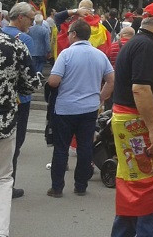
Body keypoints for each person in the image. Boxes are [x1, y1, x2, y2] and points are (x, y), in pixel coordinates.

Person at [110, 1, 153, 236]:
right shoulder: (146, 46)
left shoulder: (142, 43)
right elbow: (140, 88)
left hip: (133, 122)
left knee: (133, 185)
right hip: (139, 124)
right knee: (146, 189)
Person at [0, 0, 41, 236]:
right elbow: (29, 85)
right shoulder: (14, 44)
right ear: (0, 17)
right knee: (1, 180)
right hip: (1, 123)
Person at [47, 19, 115, 197]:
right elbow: (111, 80)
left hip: (66, 108)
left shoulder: (66, 54)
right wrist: (101, 97)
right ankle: (81, 186)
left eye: (69, 33)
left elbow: (54, 81)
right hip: (89, 108)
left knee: (61, 148)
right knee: (85, 147)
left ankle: (57, 187)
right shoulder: (99, 55)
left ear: (74, 34)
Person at [1, 2, 39, 198]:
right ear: (21, 17)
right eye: (31, 19)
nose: (32, 24)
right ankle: (9, 184)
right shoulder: (23, 39)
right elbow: (28, 74)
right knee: (15, 143)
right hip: (19, 99)